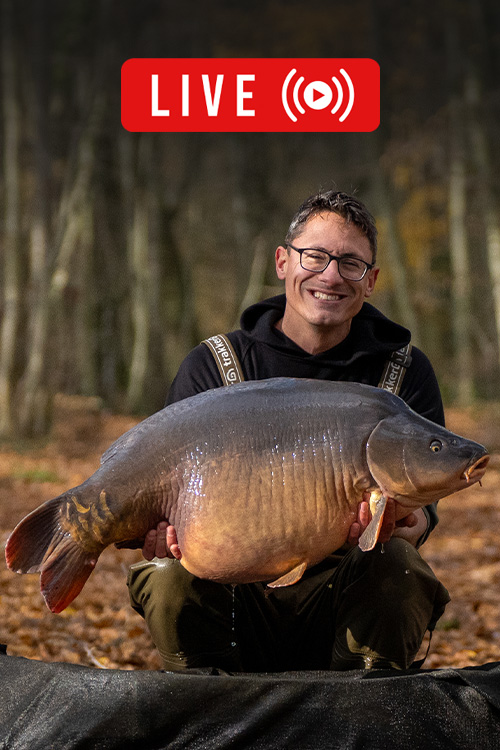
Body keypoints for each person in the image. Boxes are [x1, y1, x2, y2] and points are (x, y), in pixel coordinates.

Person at [127, 190, 450, 672]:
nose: (331, 276)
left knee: (399, 567)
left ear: (371, 280)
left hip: (344, 601)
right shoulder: (214, 365)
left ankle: (363, 703)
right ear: (283, 261)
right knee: (168, 574)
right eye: (315, 256)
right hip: (233, 596)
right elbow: (165, 490)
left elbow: (424, 512)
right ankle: (213, 703)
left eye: (351, 264)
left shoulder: (404, 373)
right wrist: (163, 533)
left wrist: (409, 525)